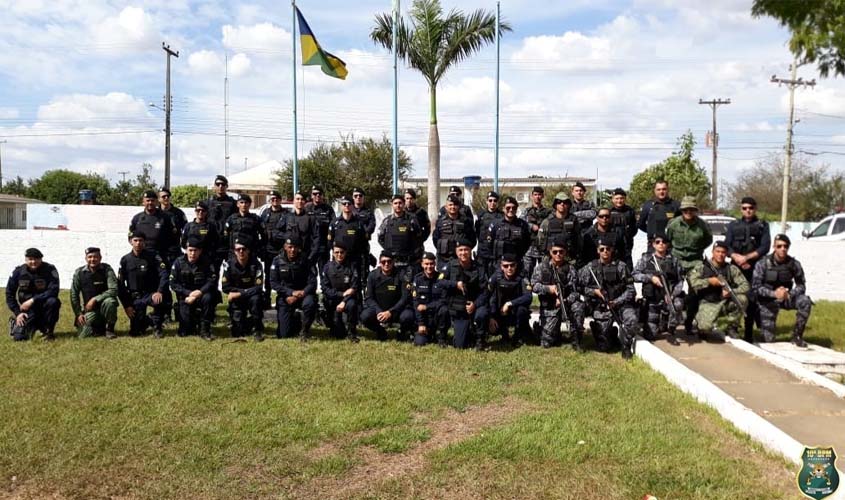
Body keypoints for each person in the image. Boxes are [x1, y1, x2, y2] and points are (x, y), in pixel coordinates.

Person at [579, 237, 639, 358]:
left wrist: (616, 302)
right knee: (604, 347)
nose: (605, 251)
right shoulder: (590, 268)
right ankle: (600, 330)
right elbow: (579, 286)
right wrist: (594, 291)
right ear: (598, 251)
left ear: (612, 250)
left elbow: (631, 290)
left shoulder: (621, 266)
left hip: (620, 304)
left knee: (631, 319)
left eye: (608, 249)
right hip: (602, 307)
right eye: (602, 249)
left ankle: (626, 346)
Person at [752, 234, 812, 346]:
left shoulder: (794, 264)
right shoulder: (763, 263)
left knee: (805, 301)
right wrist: (774, 293)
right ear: (774, 247)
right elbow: (756, 287)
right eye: (779, 246)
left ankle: (797, 336)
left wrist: (789, 293)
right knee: (768, 341)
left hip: (786, 297)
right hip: (768, 300)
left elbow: (801, 285)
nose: (783, 249)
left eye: (785, 246)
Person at [725, 197, 771, 342]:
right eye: (744, 208)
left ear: (755, 208)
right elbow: (726, 246)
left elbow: (765, 246)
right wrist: (736, 257)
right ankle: (732, 326)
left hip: (754, 268)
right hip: (736, 267)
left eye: (750, 207)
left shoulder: (762, 225)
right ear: (741, 209)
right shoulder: (733, 225)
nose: (748, 210)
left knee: (752, 299)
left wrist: (747, 258)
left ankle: (749, 332)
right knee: (734, 297)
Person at [666, 195, 713, 333]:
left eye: (691, 209)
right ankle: (671, 322)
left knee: (696, 292)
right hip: (677, 259)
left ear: (695, 210)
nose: (688, 212)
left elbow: (708, 240)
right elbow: (668, 239)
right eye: (685, 209)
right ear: (682, 210)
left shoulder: (702, 225)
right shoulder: (673, 224)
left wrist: (696, 250)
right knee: (673, 290)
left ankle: (689, 321)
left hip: (695, 261)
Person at [687, 241, 749, 341]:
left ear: (726, 254)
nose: (720, 254)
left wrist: (731, 291)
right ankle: (698, 323)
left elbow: (745, 285)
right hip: (708, 302)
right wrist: (709, 281)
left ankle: (732, 327)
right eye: (718, 251)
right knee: (705, 328)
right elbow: (693, 282)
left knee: (742, 299)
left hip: (725, 302)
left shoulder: (731, 269)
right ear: (713, 252)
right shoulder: (702, 267)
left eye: (723, 252)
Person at [434, 240, 489, 350]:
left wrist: (475, 304)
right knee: (460, 345)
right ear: (456, 251)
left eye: (466, 250)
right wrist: (455, 284)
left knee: (482, 313)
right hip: (457, 309)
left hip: (473, 307)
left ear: (470, 251)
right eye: (460, 250)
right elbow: (439, 282)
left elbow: (485, 291)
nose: (463, 253)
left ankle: (480, 341)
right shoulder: (450, 265)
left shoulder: (479, 267)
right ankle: (448, 336)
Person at [532, 239, 585, 350]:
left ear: (565, 252)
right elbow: (534, 286)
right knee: (546, 343)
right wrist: (548, 289)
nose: (558, 254)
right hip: (550, 307)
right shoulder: (542, 268)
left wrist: (564, 300)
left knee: (578, 307)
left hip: (566, 304)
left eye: (561, 252)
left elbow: (576, 291)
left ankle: (576, 339)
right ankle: (540, 329)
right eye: (555, 252)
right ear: (550, 252)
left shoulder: (570, 269)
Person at [632, 234, 684, 344]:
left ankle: (669, 323)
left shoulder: (674, 261)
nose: (661, 244)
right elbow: (634, 275)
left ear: (668, 245)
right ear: (653, 244)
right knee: (651, 335)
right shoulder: (646, 259)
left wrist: (672, 295)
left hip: (669, 296)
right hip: (652, 299)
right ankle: (658, 322)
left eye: (664, 242)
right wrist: (650, 278)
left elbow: (680, 280)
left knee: (678, 304)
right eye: (658, 242)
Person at [118, 232, 170, 338]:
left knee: (160, 301)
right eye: (135, 240)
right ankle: (148, 320)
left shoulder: (153, 256)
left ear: (144, 242)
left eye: (141, 240)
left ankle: (157, 327)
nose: (138, 243)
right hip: (135, 297)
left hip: (151, 293)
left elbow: (164, 274)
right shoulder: (125, 260)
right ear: (130, 241)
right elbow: (121, 284)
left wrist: (159, 291)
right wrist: (127, 306)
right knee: (136, 332)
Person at [269, 236, 318, 340]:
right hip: (286, 297)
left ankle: (305, 331)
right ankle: (295, 319)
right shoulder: (277, 261)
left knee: (310, 303)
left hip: (303, 295)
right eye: (290, 247)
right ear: (285, 247)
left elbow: (313, 282)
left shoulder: (305, 260)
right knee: (284, 335)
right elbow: (274, 283)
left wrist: (301, 293)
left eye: (295, 247)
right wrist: (290, 293)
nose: (292, 250)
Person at [6, 248, 61, 341]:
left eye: (36, 259)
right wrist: (18, 313)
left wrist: (33, 300)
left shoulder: (50, 270)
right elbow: (9, 294)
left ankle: (48, 331)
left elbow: (53, 290)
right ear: (26, 260)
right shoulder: (18, 272)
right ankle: (16, 322)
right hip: (28, 311)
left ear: (41, 259)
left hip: (44, 308)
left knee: (53, 301)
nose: (33, 262)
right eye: (30, 259)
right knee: (19, 338)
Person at [169, 240, 218, 339]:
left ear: (200, 251)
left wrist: (200, 292)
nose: (192, 253)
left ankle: (205, 329)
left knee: (208, 298)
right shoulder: (178, 262)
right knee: (185, 331)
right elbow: (173, 283)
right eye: (190, 250)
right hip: (185, 296)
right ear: (186, 250)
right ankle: (193, 322)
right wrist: (190, 293)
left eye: (195, 250)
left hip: (202, 294)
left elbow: (212, 280)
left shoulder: (207, 262)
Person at [361, 251, 415, 341]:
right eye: (383, 262)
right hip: (379, 310)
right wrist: (378, 311)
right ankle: (380, 331)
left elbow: (405, 298)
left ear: (393, 262)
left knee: (408, 316)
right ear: (379, 263)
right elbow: (369, 298)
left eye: (389, 261)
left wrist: (390, 312)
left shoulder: (401, 275)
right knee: (364, 316)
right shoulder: (372, 275)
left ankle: (401, 331)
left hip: (396, 310)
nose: (386, 264)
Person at [221, 237, 265, 341]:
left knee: (256, 299)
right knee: (237, 333)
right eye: (238, 249)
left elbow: (258, 287)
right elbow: (225, 287)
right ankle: (246, 322)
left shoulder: (256, 264)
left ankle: (257, 329)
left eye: (244, 249)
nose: (241, 251)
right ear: (234, 251)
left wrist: (240, 293)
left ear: (248, 250)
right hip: (238, 300)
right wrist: (243, 293)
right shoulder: (229, 265)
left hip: (249, 298)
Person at [70, 247, 118, 339]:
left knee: (110, 301)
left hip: (105, 307)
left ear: (100, 258)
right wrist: (78, 313)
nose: (92, 259)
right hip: (91, 311)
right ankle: (98, 328)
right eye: (90, 257)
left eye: (95, 257)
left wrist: (95, 299)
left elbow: (113, 290)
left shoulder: (107, 269)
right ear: (86, 258)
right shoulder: (79, 272)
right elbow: (74, 294)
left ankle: (110, 329)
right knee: (82, 336)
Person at [487, 254, 533, 347]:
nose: (509, 268)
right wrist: (491, 317)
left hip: (515, 311)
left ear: (516, 265)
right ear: (501, 266)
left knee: (522, 310)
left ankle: (518, 336)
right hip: (500, 312)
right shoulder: (496, 277)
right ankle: (503, 334)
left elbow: (528, 297)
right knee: (492, 330)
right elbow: (489, 296)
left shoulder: (522, 276)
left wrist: (510, 304)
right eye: (506, 266)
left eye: (512, 265)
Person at [377, 194, 423, 278]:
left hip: (408, 263)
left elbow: (419, 238)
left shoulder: (412, 220)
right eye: (395, 203)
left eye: (400, 203)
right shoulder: (387, 221)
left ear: (404, 204)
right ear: (392, 204)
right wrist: (389, 249)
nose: (398, 205)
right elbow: (380, 237)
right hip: (392, 263)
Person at [321, 243, 360, 342]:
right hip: (332, 300)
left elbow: (354, 287)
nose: (339, 255)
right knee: (338, 335)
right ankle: (333, 324)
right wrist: (341, 294)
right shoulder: (327, 267)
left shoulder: (351, 266)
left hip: (348, 300)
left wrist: (344, 300)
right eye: (336, 252)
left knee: (352, 304)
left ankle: (352, 332)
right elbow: (325, 288)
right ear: (333, 253)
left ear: (345, 253)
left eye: (341, 252)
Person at [328, 195, 368, 290]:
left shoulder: (358, 224)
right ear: (341, 206)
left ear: (352, 206)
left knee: (356, 284)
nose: (346, 205)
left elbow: (364, 242)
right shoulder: (335, 223)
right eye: (344, 203)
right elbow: (329, 242)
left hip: (354, 260)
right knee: (338, 283)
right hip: (339, 260)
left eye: (349, 203)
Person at [128, 190, 176, 265]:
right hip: (142, 257)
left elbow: (173, 239)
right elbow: (131, 236)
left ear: (157, 202)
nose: (150, 203)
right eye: (148, 200)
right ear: (143, 202)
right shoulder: (137, 218)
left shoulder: (165, 218)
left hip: (161, 257)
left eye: (152, 200)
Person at [259, 190, 288, 308]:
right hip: (268, 251)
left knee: (282, 276)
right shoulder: (265, 213)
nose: (274, 200)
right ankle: (267, 298)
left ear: (280, 200)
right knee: (268, 275)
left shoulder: (286, 214)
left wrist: (275, 235)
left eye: (276, 198)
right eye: (272, 199)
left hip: (281, 251)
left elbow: (288, 233)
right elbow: (261, 231)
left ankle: (281, 299)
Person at [486, 196, 531, 273]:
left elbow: (527, 243)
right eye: (508, 208)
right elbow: (489, 243)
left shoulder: (523, 225)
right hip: (499, 264)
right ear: (503, 208)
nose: (511, 210)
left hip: (516, 264)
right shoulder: (495, 224)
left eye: (513, 208)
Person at [433, 194, 477, 271]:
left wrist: (463, 253)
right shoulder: (440, 222)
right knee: (443, 281)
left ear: (459, 206)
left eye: (455, 205)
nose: (453, 207)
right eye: (450, 205)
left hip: (461, 259)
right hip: (444, 259)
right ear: (446, 207)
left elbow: (472, 240)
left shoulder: (466, 221)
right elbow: (435, 239)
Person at [276, 190, 320, 267]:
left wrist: (311, 256)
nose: (300, 201)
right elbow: (276, 232)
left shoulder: (310, 218)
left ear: (305, 202)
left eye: (302, 199)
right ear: (294, 201)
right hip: (289, 256)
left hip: (305, 256)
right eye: (297, 199)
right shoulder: (287, 216)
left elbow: (316, 238)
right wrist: (288, 237)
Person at [410, 252, 445, 347]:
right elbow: (416, 303)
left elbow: (443, 300)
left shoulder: (441, 278)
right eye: (426, 264)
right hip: (424, 318)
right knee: (420, 343)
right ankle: (424, 333)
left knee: (444, 310)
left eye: (431, 264)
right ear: (422, 264)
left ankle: (441, 336)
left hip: (436, 316)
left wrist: (427, 306)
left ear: (435, 264)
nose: (429, 266)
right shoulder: (417, 279)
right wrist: (421, 323)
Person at [537, 192, 581, 264]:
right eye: (559, 202)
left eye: (565, 202)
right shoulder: (547, 221)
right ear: (555, 205)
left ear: (568, 205)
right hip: (550, 259)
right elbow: (540, 240)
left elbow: (579, 240)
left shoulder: (574, 221)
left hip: (570, 259)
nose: (562, 204)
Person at [637, 180, 681, 246]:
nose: (661, 192)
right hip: (653, 244)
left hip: (672, 245)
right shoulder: (648, 205)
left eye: (664, 189)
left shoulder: (676, 205)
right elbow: (640, 224)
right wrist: (651, 231)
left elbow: (681, 224)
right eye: (658, 189)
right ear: (654, 190)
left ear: (668, 190)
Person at [207, 174, 237, 270]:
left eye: (223, 184)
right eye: (218, 184)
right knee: (213, 275)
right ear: (214, 186)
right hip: (213, 244)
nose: (220, 187)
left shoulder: (233, 203)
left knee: (232, 273)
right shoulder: (208, 203)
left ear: (226, 187)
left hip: (228, 244)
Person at [305, 185, 336, 276]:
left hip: (324, 246)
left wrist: (331, 244)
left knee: (324, 273)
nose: (317, 195)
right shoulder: (307, 208)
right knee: (309, 273)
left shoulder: (328, 209)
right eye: (315, 194)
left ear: (322, 195)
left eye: (319, 194)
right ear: (311, 195)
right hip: (310, 247)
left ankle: (325, 290)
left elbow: (334, 226)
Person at [522, 186, 551, 279]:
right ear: (532, 196)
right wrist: (531, 226)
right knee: (527, 273)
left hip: (543, 247)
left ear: (542, 196)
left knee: (544, 272)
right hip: (529, 247)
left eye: (539, 195)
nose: (537, 197)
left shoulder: (548, 212)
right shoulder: (526, 211)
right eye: (535, 195)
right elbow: (519, 223)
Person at [224, 194, 265, 258]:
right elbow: (226, 236)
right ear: (237, 204)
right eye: (241, 202)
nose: (244, 205)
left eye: (246, 203)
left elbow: (263, 235)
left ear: (249, 204)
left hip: (251, 253)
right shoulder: (231, 219)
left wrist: (259, 248)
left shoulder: (256, 219)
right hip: (234, 253)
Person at [474, 191, 504, 276]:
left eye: (495, 201)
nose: (492, 203)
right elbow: (477, 232)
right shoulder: (481, 215)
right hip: (482, 252)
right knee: (482, 277)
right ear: (486, 201)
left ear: (497, 203)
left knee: (495, 277)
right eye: (490, 200)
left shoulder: (501, 216)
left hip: (495, 253)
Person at [609, 188, 637, 269]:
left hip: (626, 246)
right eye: (617, 198)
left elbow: (634, 227)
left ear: (625, 199)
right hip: (613, 246)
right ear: (613, 199)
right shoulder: (609, 211)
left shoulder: (630, 211)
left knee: (628, 269)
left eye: (621, 198)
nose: (619, 201)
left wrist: (628, 234)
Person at [158, 188, 188, 264]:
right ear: (159, 199)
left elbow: (186, 229)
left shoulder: (178, 213)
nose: (166, 198)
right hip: (159, 251)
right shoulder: (155, 213)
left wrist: (185, 244)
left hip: (175, 251)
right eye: (163, 196)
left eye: (168, 196)